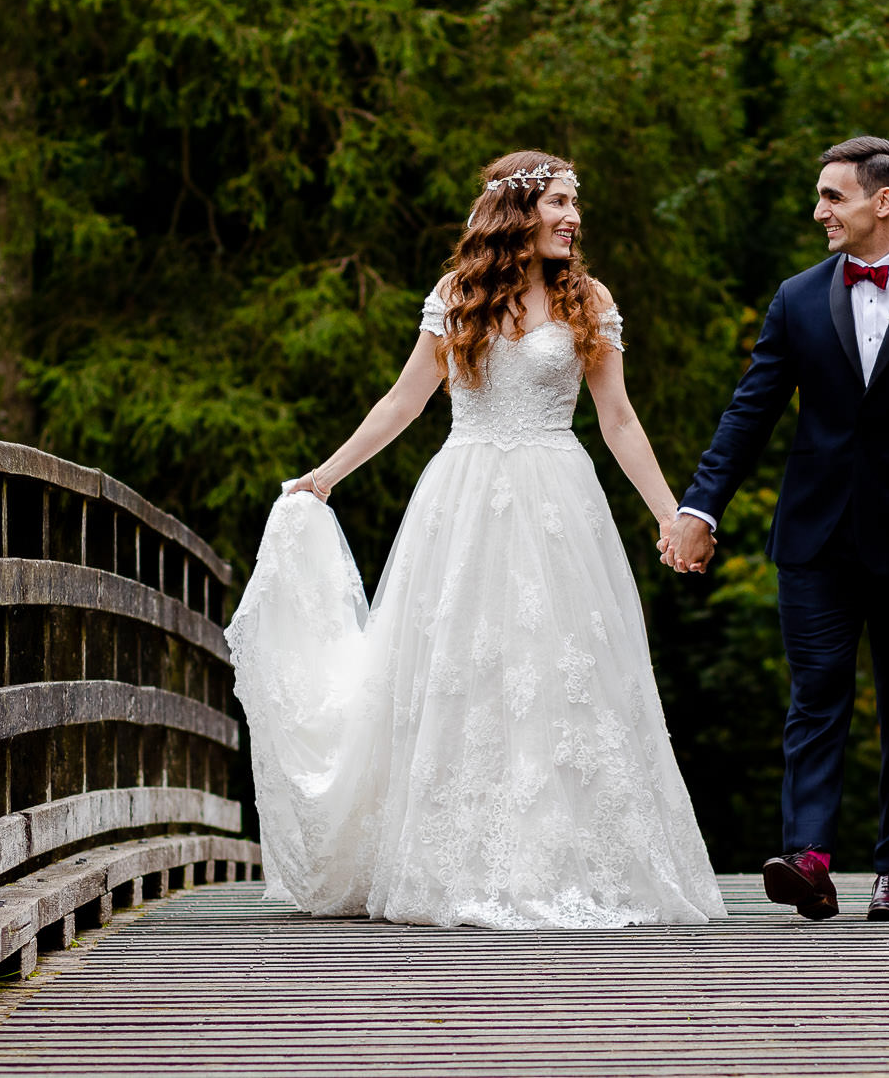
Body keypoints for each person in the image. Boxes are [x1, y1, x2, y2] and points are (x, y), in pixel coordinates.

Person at [226, 150, 725, 930]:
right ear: (518, 211)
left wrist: (671, 513)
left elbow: (618, 419)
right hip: (462, 504)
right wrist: (326, 475)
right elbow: (404, 401)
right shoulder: (457, 297)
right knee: (462, 672)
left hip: (560, 502)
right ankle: (452, 859)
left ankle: (563, 859)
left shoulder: (588, 299)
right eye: (560, 201)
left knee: (558, 673)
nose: (574, 217)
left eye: (575, 204)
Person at [664, 136, 889, 923]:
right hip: (814, 538)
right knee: (816, 695)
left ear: (882, 201)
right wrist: (699, 505)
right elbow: (751, 410)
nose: (819, 211)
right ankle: (809, 857)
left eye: (832, 197)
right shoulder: (798, 297)